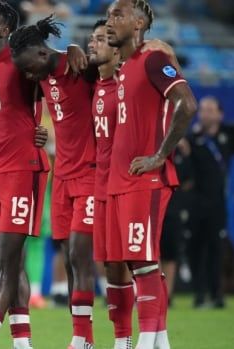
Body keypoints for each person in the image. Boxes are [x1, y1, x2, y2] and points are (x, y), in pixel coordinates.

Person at [105, 1, 197, 348]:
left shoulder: (153, 59)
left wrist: (160, 155)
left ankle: (146, 342)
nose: (110, 21)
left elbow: (186, 104)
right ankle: (160, 342)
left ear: (140, 22)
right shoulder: (126, 66)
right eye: (110, 15)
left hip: (146, 180)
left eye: (118, 15)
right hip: (125, 180)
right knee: (138, 261)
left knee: (143, 262)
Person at [8, 16, 97, 349]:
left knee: (80, 253)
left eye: (29, 66)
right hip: (62, 175)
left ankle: (83, 338)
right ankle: (82, 335)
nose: (27, 75)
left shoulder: (80, 66)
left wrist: (76, 47)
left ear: (42, 53)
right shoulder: (41, 76)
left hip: (90, 172)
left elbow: (111, 65)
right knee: (69, 254)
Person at [0, 2, 52, 349]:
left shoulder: (23, 62)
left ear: (5, 30)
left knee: (5, 259)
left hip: (22, 168)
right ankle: (22, 344)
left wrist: (47, 131)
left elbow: (61, 81)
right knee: (10, 264)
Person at [87, 19, 134, 349]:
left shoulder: (128, 84)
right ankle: (122, 339)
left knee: (139, 262)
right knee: (112, 266)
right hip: (101, 185)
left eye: (101, 39)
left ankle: (149, 335)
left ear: (118, 52)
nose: (93, 44)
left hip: (130, 184)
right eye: (92, 39)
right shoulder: (94, 84)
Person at [187, 96, 234, 309]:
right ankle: (199, 293)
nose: (204, 113)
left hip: (217, 204)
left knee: (216, 249)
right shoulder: (191, 138)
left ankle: (217, 294)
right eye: (202, 110)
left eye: (209, 110)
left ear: (219, 114)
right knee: (195, 249)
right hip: (196, 204)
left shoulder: (228, 135)